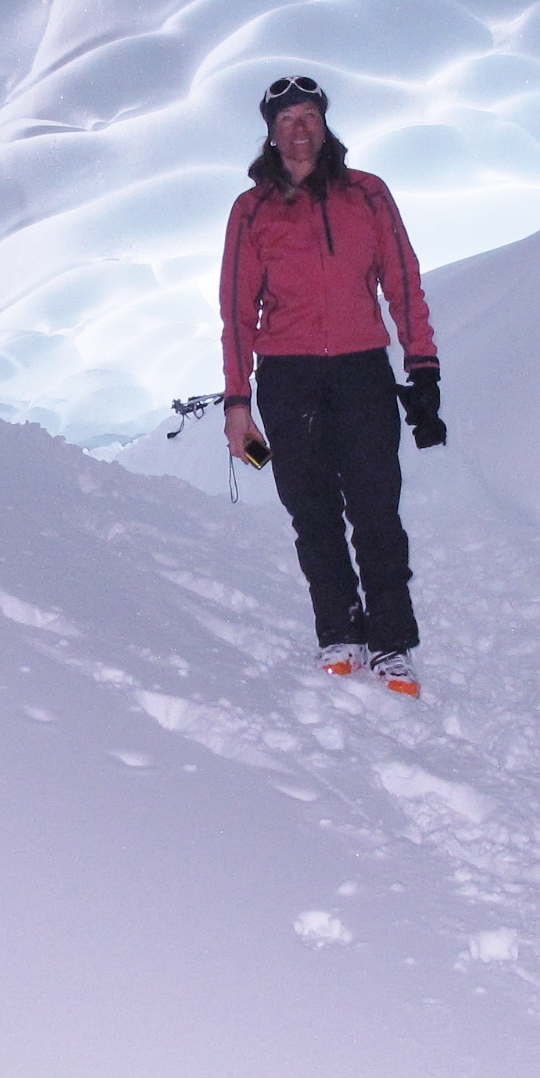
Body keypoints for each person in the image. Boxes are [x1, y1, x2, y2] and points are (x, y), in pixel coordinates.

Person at [219, 76, 445, 697]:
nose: (300, 128)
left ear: (325, 124)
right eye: (287, 118)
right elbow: (236, 313)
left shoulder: (367, 195)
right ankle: (338, 630)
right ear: (270, 130)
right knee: (312, 510)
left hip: (361, 369)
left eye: (310, 115)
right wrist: (238, 402)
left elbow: (403, 278)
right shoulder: (252, 209)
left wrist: (421, 364)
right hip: (288, 376)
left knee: (376, 505)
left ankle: (392, 641)